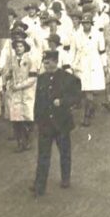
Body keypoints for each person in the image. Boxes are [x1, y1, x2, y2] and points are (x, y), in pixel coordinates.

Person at [32, 51, 82, 197]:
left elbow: (77, 96)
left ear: (55, 61)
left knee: (64, 152)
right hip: (45, 123)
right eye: (44, 62)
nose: (45, 65)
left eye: (47, 62)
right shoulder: (41, 79)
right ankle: (39, 185)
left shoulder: (68, 78)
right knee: (43, 155)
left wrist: (63, 102)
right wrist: (36, 120)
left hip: (62, 123)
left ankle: (65, 178)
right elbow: (38, 101)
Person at [4, 36, 39, 152]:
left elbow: (33, 78)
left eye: (21, 46)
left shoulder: (30, 60)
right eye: (16, 46)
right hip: (15, 92)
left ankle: (28, 140)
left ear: (25, 48)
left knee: (27, 117)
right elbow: (8, 73)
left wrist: (19, 86)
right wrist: (8, 81)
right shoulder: (12, 60)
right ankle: (20, 142)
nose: (18, 48)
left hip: (27, 91)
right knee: (16, 118)